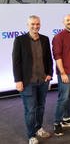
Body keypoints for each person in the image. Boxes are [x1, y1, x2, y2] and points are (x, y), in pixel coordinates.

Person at [12, 15, 53, 144]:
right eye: (33, 24)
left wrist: (49, 74)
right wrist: (18, 80)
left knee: (41, 107)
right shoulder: (20, 40)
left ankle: (39, 127)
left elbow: (49, 59)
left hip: (42, 81)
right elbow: (16, 62)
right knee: (30, 110)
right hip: (27, 82)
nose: (35, 26)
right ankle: (31, 135)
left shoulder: (45, 39)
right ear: (28, 25)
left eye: (37, 24)